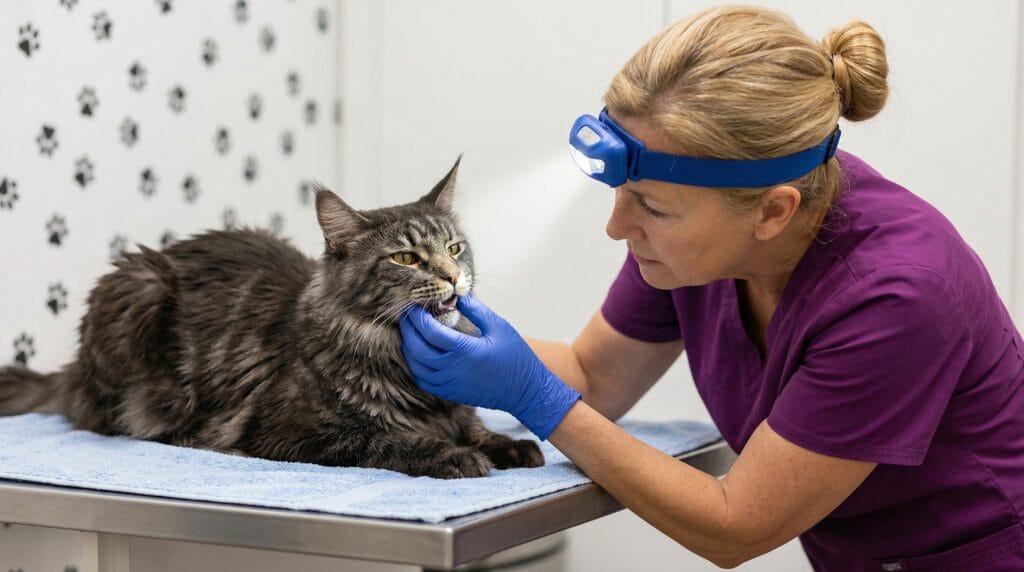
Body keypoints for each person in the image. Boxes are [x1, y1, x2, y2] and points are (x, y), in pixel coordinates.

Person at [400, 5, 1024, 570]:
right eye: (620, 195)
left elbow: (735, 526)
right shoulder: (699, 249)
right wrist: (421, 334)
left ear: (772, 213)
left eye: (652, 207)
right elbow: (595, 375)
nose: (617, 226)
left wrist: (534, 397)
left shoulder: (898, 295)